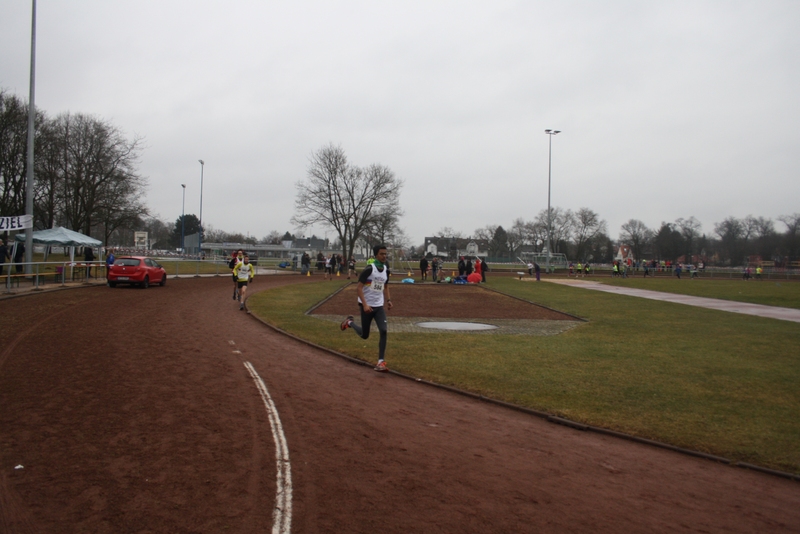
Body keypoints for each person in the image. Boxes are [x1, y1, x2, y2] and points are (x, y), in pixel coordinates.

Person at [340, 244, 393, 372]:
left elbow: (385, 286)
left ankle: (380, 362)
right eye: (381, 254)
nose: (384, 256)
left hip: (379, 306)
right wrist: (365, 305)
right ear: (376, 255)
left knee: (384, 330)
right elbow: (358, 288)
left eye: (385, 254)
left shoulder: (386, 270)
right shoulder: (369, 269)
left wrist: (389, 300)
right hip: (366, 306)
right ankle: (349, 322)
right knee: (364, 335)